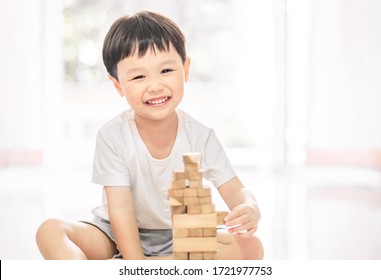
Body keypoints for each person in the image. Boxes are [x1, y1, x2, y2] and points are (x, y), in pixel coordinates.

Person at [36, 10, 264, 260]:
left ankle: (146, 267)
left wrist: (248, 206)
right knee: (50, 231)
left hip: (181, 236)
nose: (155, 85)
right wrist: (135, 262)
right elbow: (120, 206)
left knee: (251, 248)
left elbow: (234, 188)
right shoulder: (113, 136)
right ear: (117, 85)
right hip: (113, 234)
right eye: (138, 76)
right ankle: (142, 268)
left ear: (185, 69)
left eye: (166, 71)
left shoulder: (201, 136)